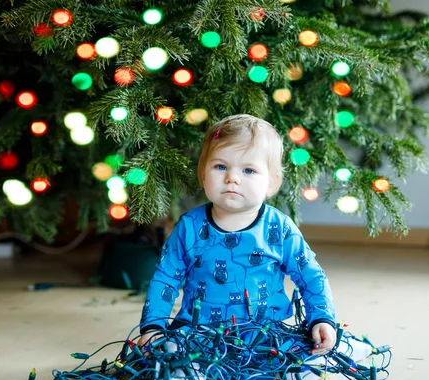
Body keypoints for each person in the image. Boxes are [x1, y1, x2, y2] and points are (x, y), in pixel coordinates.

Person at [137, 114, 336, 356]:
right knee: (173, 358)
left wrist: (321, 319)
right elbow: (166, 278)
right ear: (203, 173)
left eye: (249, 170)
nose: (232, 178)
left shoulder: (279, 227)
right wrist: (153, 326)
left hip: (265, 332)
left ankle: (286, 375)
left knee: (295, 360)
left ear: (272, 183)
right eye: (220, 167)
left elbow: (311, 275)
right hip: (199, 332)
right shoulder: (190, 227)